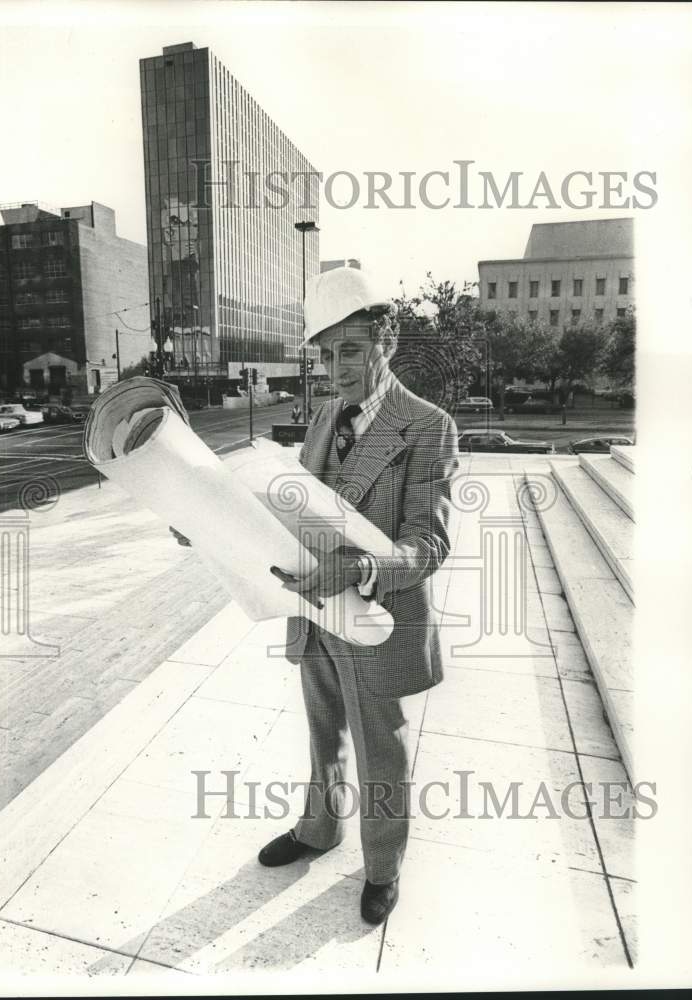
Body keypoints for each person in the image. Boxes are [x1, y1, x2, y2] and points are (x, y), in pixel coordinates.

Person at [261, 266, 459, 925]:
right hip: (314, 612)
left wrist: (356, 570)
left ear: (387, 339)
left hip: (374, 616)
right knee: (322, 733)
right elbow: (295, 506)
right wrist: (209, 522)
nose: (335, 369)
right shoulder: (323, 415)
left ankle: (381, 870)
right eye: (324, 354)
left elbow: (426, 545)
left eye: (349, 349)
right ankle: (318, 830)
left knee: (379, 750)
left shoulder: (427, 426)